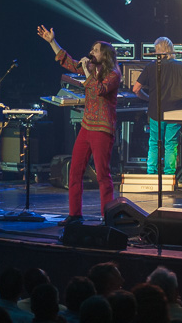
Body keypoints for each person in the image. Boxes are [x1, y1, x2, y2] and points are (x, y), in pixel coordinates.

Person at [37, 25, 120, 224]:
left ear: (105, 55)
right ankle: (75, 215)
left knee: (102, 174)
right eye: (91, 49)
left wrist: (86, 71)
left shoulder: (114, 73)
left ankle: (107, 216)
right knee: (74, 171)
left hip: (102, 129)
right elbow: (68, 62)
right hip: (87, 126)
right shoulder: (90, 68)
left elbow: (99, 89)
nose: (91, 53)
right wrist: (52, 42)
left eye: (95, 50)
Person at [131, 37, 182, 176]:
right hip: (175, 112)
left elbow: (135, 89)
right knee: (171, 144)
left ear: (157, 50)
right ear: (171, 50)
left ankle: (151, 173)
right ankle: (169, 176)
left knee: (154, 143)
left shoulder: (151, 66)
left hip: (156, 111)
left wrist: (148, 98)